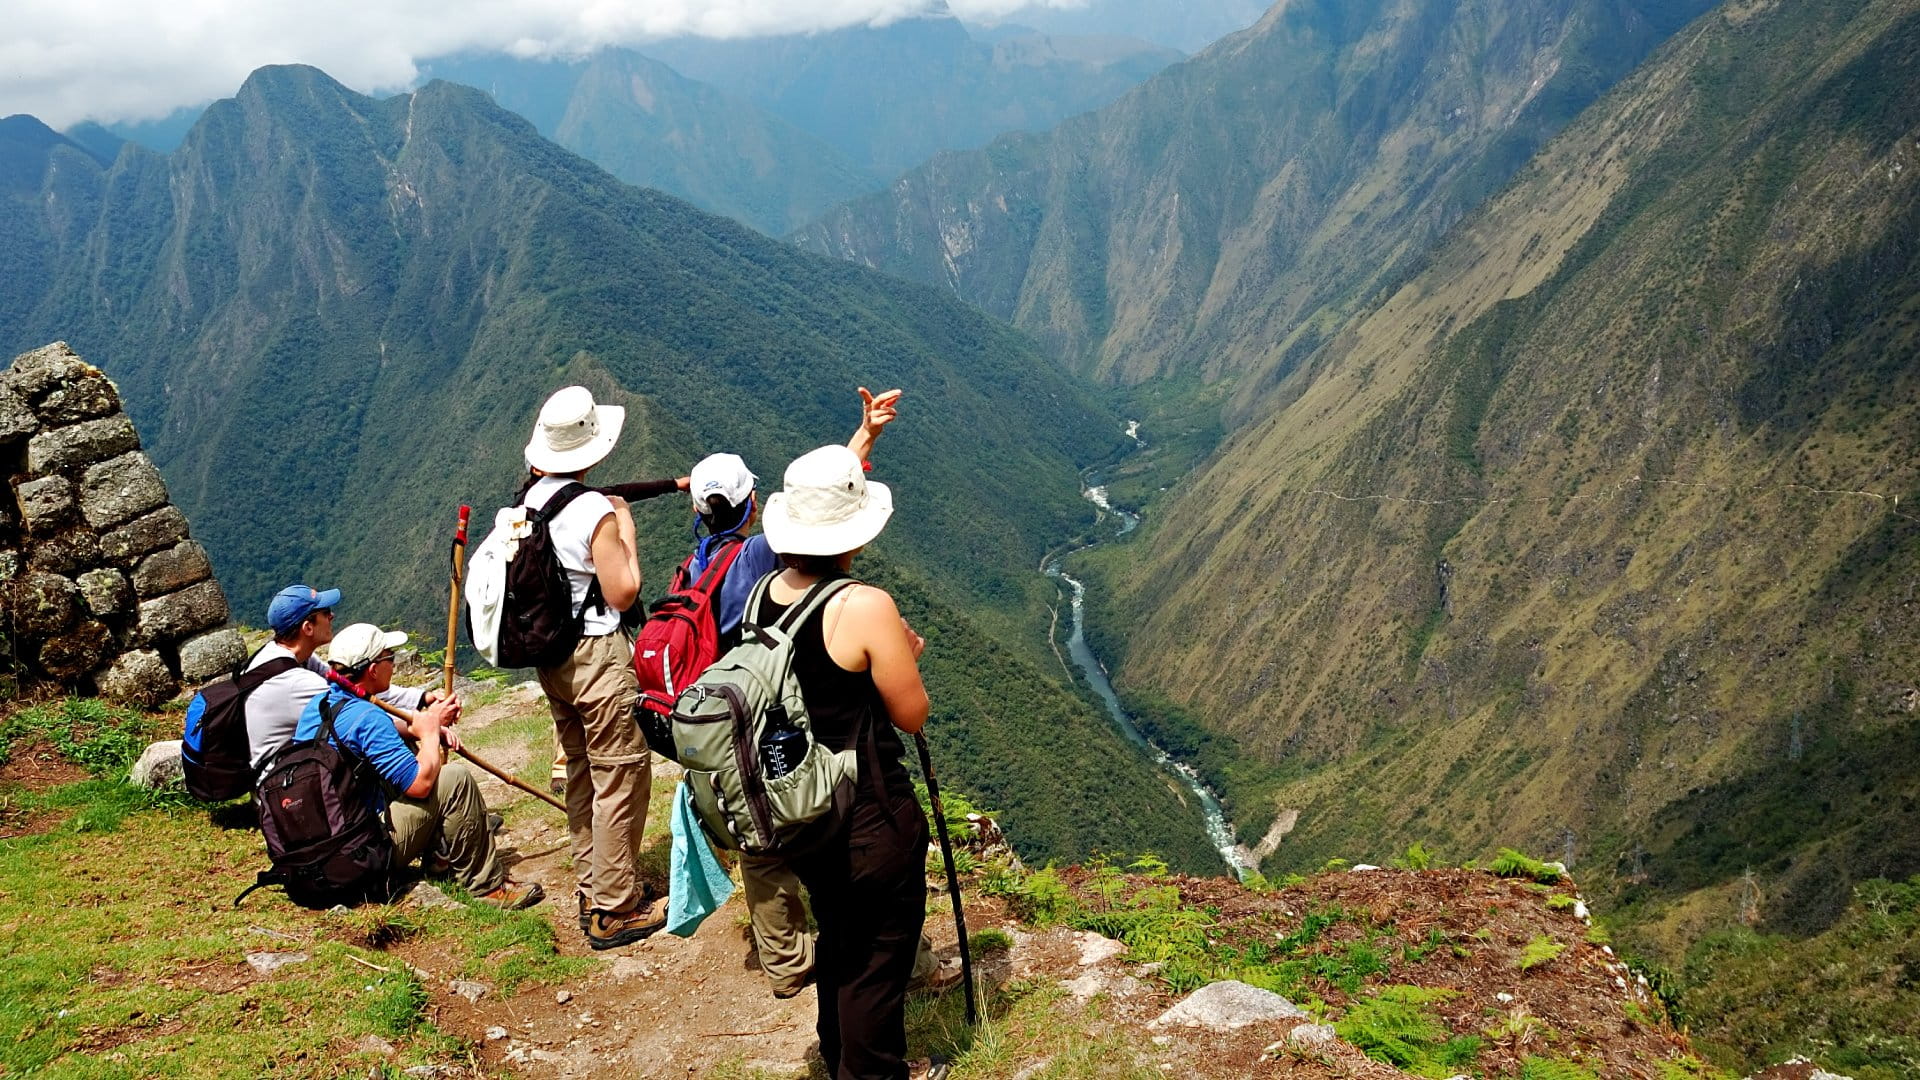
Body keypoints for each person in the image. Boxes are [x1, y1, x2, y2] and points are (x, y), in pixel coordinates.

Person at [678, 389, 939, 1000]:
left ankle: (790, 968)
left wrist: (864, 438)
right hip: (826, 768)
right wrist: (903, 660)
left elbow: (817, 514)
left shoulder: (727, 571)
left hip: (751, 748)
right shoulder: (818, 584)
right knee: (871, 932)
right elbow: (910, 714)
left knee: (795, 882)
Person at [757, 443, 933, 1080]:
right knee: (877, 960)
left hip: (799, 811)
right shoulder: (863, 605)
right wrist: (907, 653)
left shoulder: (762, 597)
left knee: (839, 938)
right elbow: (911, 715)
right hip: (869, 814)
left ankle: (838, 1058)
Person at [521, 385, 664, 948]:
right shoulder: (594, 511)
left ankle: (594, 885)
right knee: (622, 772)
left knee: (581, 769)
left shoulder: (527, 503)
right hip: (597, 654)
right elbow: (624, 591)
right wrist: (625, 526)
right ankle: (614, 907)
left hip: (551, 659)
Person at [296, 622, 541, 909]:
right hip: (359, 856)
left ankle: (440, 854)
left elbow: (372, 733)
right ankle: (486, 888)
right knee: (455, 779)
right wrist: (428, 735)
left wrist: (417, 729)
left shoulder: (319, 705)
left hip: (324, 850)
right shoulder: (366, 718)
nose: (393, 664)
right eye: (389, 658)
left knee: (408, 751)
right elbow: (420, 785)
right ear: (373, 670)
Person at [244, 584, 456, 772]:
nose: (332, 616)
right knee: (394, 740)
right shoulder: (295, 683)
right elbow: (361, 717)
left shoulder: (290, 656)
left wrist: (424, 698)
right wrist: (428, 724)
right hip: (291, 785)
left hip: (305, 763)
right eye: (325, 612)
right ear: (307, 628)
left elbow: (352, 685)